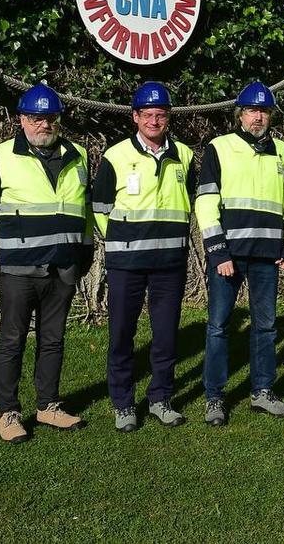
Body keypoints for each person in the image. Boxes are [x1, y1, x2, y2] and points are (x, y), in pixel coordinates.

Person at [0, 84, 92, 443]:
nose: (43, 124)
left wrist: (84, 254)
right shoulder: (1, 158)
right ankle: (8, 414)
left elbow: (83, 212)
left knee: (53, 340)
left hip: (62, 270)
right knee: (12, 341)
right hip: (19, 272)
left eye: (50, 118)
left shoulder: (78, 154)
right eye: (36, 118)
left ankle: (48, 406)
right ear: (21, 120)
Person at [196, 80, 284, 426]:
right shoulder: (219, 148)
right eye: (251, 111)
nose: (257, 117)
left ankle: (262, 392)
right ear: (240, 114)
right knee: (218, 327)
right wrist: (217, 252)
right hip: (228, 255)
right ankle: (215, 398)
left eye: (264, 111)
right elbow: (205, 202)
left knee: (267, 327)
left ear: (270, 115)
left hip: (267, 256)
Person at [92, 82, 195, 432]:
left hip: (170, 265)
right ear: (135, 117)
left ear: (168, 117)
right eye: (148, 114)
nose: (154, 120)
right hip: (127, 265)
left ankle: (160, 399)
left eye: (161, 114)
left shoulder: (185, 155)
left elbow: (192, 201)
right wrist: (123, 241)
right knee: (122, 334)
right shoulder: (116, 156)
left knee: (166, 336)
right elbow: (101, 208)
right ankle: (123, 404)